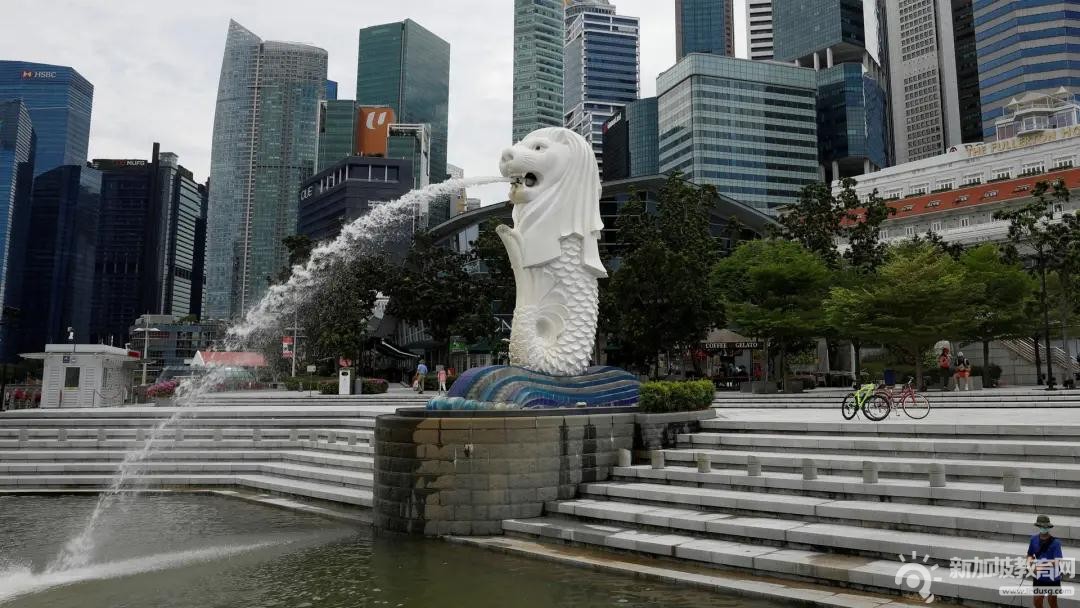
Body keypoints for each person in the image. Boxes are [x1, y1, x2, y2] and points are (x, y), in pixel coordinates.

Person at [1027, 515, 1065, 608]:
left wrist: (1040, 567)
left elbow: (1057, 561)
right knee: (1037, 601)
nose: (1043, 528)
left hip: (1053, 577)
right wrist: (1029, 564)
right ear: (1038, 526)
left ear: (1048, 527)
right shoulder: (1033, 539)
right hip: (1039, 576)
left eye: (1045, 526)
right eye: (1041, 526)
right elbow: (1030, 554)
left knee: (1052, 602)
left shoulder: (1056, 543)